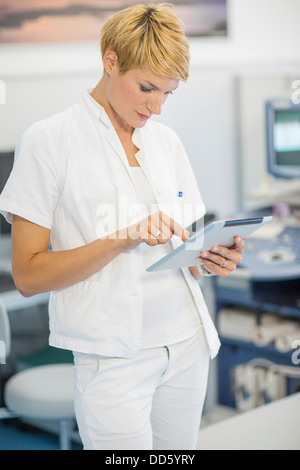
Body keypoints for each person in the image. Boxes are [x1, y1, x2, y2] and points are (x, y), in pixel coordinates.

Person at [0, 4, 245, 450]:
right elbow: (28, 276)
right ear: (110, 61)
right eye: (146, 87)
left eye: (168, 93)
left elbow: (187, 261)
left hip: (186, 344)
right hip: (113, 361)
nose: (155, 106)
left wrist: (211, 260)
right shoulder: (49, 141)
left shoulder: (166, 142)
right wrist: (122, 237)